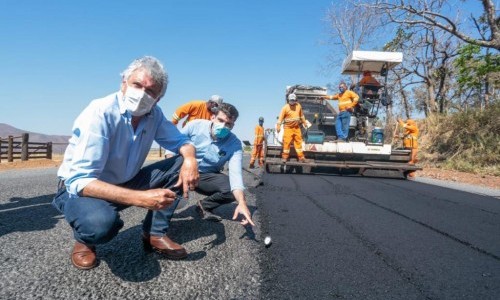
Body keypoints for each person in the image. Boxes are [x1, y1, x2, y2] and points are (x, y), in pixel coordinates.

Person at [52, 56, 199, 270]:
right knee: (100, 225)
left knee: (179, 164)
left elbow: (181, 141)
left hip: (125, 181)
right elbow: (80, 181)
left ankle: (154, 233)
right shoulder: (100, 112)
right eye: (137, 85)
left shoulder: (154, 114)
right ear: (124, 82)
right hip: (82, 190)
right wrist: (140, 198)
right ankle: (86, 240)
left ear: (157, 99)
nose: (141, 95)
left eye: (150, 91)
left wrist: (191, 158)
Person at [179, 103, 255, 225]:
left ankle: (203, 205)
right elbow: (172, 148)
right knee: (172, 202)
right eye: (220, 120)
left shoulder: (234, 144)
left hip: (206, 176)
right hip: (183, 169)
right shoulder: (194, 126)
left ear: (233, 126)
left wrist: (242, 202)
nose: (223, 126)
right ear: (212, 117)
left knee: (231, 191)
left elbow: (236, 174)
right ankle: (156, 229)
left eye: (228, 124)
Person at [276, 94, 308, 163]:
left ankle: (301, 157)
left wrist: (304, 122)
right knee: (286, 143)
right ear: (288, 100)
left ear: (295, 100)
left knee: (298, 142)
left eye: (293, 100)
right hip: (288, 128)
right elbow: (280, 118)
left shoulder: (298, 106)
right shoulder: (285, 108)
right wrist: (278, 126)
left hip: (296, 128)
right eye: (291, 100)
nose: (292, 101)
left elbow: (301, 116)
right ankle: (285, 157)